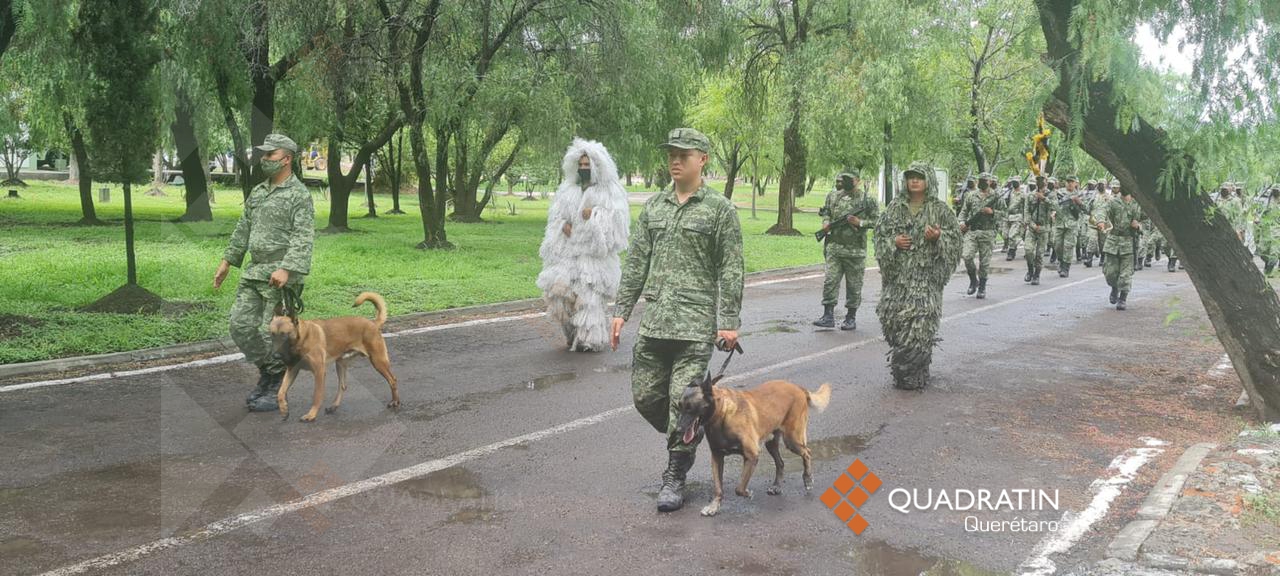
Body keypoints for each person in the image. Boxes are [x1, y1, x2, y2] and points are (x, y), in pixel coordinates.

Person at [610, 127, 744, 512]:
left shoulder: (720, 210)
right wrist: (622, 310)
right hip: (655, 325)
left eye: (684, 154)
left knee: (680, 402)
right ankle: (688, 432)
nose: (675, 160)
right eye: (671, 153)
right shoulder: (654, 206)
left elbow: (731, 268)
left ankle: (675, 475)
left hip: (694, 328)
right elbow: (636, 262)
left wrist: (728, 321)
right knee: (645, 397)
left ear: (702, 159)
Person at [213, 134, 314, 412]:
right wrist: (228, 261)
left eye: (271, 155)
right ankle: (271, 372)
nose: (265, 159)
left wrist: (287, 268)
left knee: (275, 335)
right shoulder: (258, 192)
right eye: (264, 154)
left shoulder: (299, 195)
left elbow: (303, 238)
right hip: (254, 271)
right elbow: (242, 229)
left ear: (287, 159)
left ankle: (277, 387)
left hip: (280, 277)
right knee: (240, 326)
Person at [536, 138, 630, 352]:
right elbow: (556, 216)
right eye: (581, 165)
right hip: (568, 253)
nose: (583, 168)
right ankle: (572, 334)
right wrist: (563, 225)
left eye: (587, 165)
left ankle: (589, 340)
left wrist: (595, 216)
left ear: (597, 166)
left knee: (589, 301)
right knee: (561, 294)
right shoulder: (568, 189)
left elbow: (617, 224)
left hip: (593, 258)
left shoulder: (610, 191)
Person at [874, 162, 961, 390]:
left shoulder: (941, 210)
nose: (914, 181)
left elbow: (955, 243)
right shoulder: (894, 209)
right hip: (897, 282)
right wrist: (893, 243)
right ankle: (908, 368)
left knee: (919, 327)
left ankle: (912, 374)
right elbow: (879, 237)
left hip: (924, 282)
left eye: (919, 177)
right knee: (891, 321)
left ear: (928, 181)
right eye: (911, 177)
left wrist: (939, 237)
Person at [814, 168, 878, 330]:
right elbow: (826, 211)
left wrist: (860, 223)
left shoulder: (866, 200)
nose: (846, 181)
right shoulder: (833, 195)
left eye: (850, 179)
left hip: (855, 251)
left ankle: (850, 317)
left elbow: (877, 221)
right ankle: (828, 315)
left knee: (854, 285)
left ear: (858, 180)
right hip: (834, 247)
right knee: (830, 281)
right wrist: (826, 223)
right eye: (844, 178)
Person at [958, 172, 1005, 299]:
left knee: (984, 263)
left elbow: (1005, 214)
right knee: (967, 256)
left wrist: (993, 212)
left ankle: (982, 286)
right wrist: (962, 222)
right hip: (972, 231)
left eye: (985, 180)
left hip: (987, 232)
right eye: (980, 180)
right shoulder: (971, 195)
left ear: (990, 182)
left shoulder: (996, 196)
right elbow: (963, 212)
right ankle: (973, 280)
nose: (982, 182)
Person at [1100, 180, 1141, 310]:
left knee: (1126, 274)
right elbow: (1102, 211)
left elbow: (1149, 221)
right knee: (1110, 273)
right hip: (1113, 240)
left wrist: (1138, 225)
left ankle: (1123, 298)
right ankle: (1114, 288)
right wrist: (1100, 221)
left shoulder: (1137, 204)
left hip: (1129, 241)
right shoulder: (1114, 202)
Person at [1023, 175, 1054, 285]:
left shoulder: (1051, 194)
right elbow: (1026, 212)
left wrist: (1044, 198)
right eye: (1038, 180)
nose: (1040, 182)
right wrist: (1031, 224)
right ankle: (1030, 270)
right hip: (1032, 228)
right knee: (1028, 250)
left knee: (1039, 254)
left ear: (1046, 181)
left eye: (1043, 180)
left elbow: (1056, 207)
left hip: (1044, 228)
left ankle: (1036, 275)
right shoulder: (1030, 195)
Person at [1053, 175, 1084, 278]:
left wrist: (1079, 202)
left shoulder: (1080, 194)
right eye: (1068, 181)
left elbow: (1086, 208)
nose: (1070, 183)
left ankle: (1066, 268)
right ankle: (1061, 261)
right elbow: (1053, 204)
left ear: (1076, 183)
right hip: (1059, 223)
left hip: (1072, 224)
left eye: (1072, 181)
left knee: (1068, 246)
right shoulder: (1059, 193)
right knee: (1058, 246)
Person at [1256, 185, 1280, 276]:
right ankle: (1267, 266)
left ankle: (1268, 272)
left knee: (1274, 253)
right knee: (1263, 252)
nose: (1275, 192)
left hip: (1277, 231)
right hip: (1266, 230)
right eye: (1274, 190)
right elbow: (1260, 212)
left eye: (1277, 191)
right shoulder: (1267, 201)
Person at [1002, 176, 1025, 261]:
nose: (1014, 183)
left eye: (1016, 182)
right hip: (1007, 216)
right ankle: (1013, 245)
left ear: (1020, 182)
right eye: (1013, 182)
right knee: (1005, 235)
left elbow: (1025, 207)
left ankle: (1011, 252)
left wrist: (1024, 219)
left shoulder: (1023, 194)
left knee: (1012, 235)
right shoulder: (1008, 192)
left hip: (1017, 217)